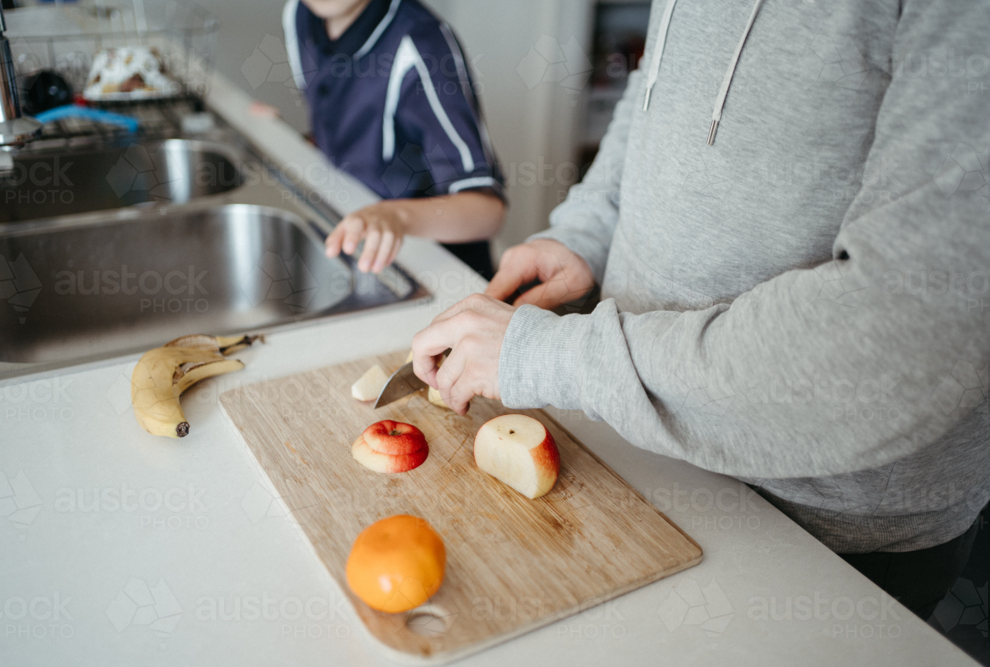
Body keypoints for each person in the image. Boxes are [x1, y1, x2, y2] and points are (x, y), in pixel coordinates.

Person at [411, 0, 989, 619]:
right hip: (642, 446)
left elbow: (901, 334)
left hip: (825, 527)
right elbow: (660, 86)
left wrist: (556, 356)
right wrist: (587, 233)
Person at [280, 0, 505, 278]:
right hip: (359, 237)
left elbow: (487, 211)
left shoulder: (421, 44)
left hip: (442, 266)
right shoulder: (299, 14)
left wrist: (395, 217)